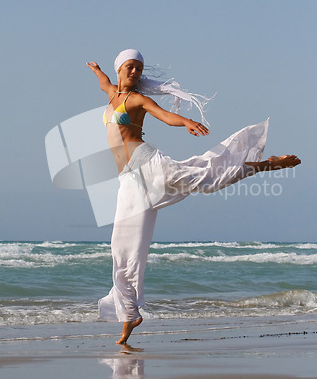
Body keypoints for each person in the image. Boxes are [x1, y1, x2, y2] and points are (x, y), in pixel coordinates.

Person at [87, 49, 300, 345]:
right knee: (122, 247)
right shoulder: (111, 93)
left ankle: (261, 165)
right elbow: (103, 82)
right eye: (130, 67)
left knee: (205, 179)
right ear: (120, 69)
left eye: (139, 68)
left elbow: (163, 115)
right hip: (129, 181)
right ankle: (129, 315)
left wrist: (185, 120)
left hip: (148, 165)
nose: (135, 72)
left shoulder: (138, 100)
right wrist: (96, 70)